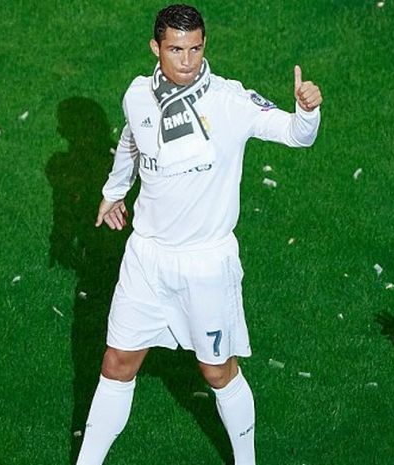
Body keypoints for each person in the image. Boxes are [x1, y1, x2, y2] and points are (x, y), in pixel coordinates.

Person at [76, 4, 322, 465]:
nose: (186, 61)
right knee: (117, 363)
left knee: (217, 371)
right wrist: (114, 191)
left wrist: (307, 112)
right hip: (146, 258)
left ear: (204, 46)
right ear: (156, 47)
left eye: (194, 49)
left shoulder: (230, 101)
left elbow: (295, 135)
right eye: (175, 50)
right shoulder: (138, 95)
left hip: (206, 264)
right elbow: (132, 138)